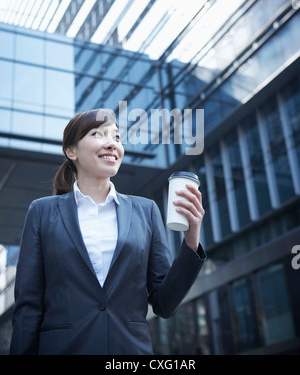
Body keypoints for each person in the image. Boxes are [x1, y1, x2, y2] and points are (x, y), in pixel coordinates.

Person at [10, 109, 206, 355]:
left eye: (116, 137)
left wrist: (191, 240)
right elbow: (28, 308)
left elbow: (165, 304)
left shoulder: (145, 211)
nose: (112, 144)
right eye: (98, 134)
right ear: (72, 151)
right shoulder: (42, 212)